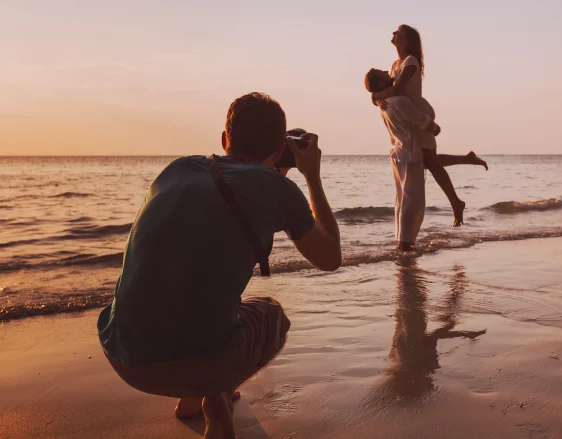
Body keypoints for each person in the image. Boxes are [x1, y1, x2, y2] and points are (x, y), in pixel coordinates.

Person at [97, 92, 341, 439]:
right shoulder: (277, 189)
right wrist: (312, 176)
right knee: (271, 314)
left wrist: (274, 170)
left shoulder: (178, 169)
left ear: (225, 139)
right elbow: (330, 257)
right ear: (277, 148)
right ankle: (217, 403)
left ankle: (192, 398)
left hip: (124, 354)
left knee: (192, 293)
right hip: (200, 363)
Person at [371, 24, 487, 227]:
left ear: (408, 39)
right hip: (409, 117)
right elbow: (384, 87)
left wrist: (376, 95)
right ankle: (467, 161)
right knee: (425, 160)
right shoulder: (394, 64)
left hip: (419, 114)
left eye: (399, 32)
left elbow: (397, 88)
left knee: (430, 162)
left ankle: (456, 203)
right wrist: (375, 96)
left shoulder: (410, 61)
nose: (394, 33)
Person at [365, 68, 483, 250]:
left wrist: (374, 97)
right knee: (412, 203)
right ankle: (405, 244)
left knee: (403, 200)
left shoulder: (384, 103)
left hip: (398, 154)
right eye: (382, 73)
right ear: (381, 83)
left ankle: (402, 242)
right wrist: (434, 128)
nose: (387, 71)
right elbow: (422, 120)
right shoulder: (398, 102)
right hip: (410, 155)